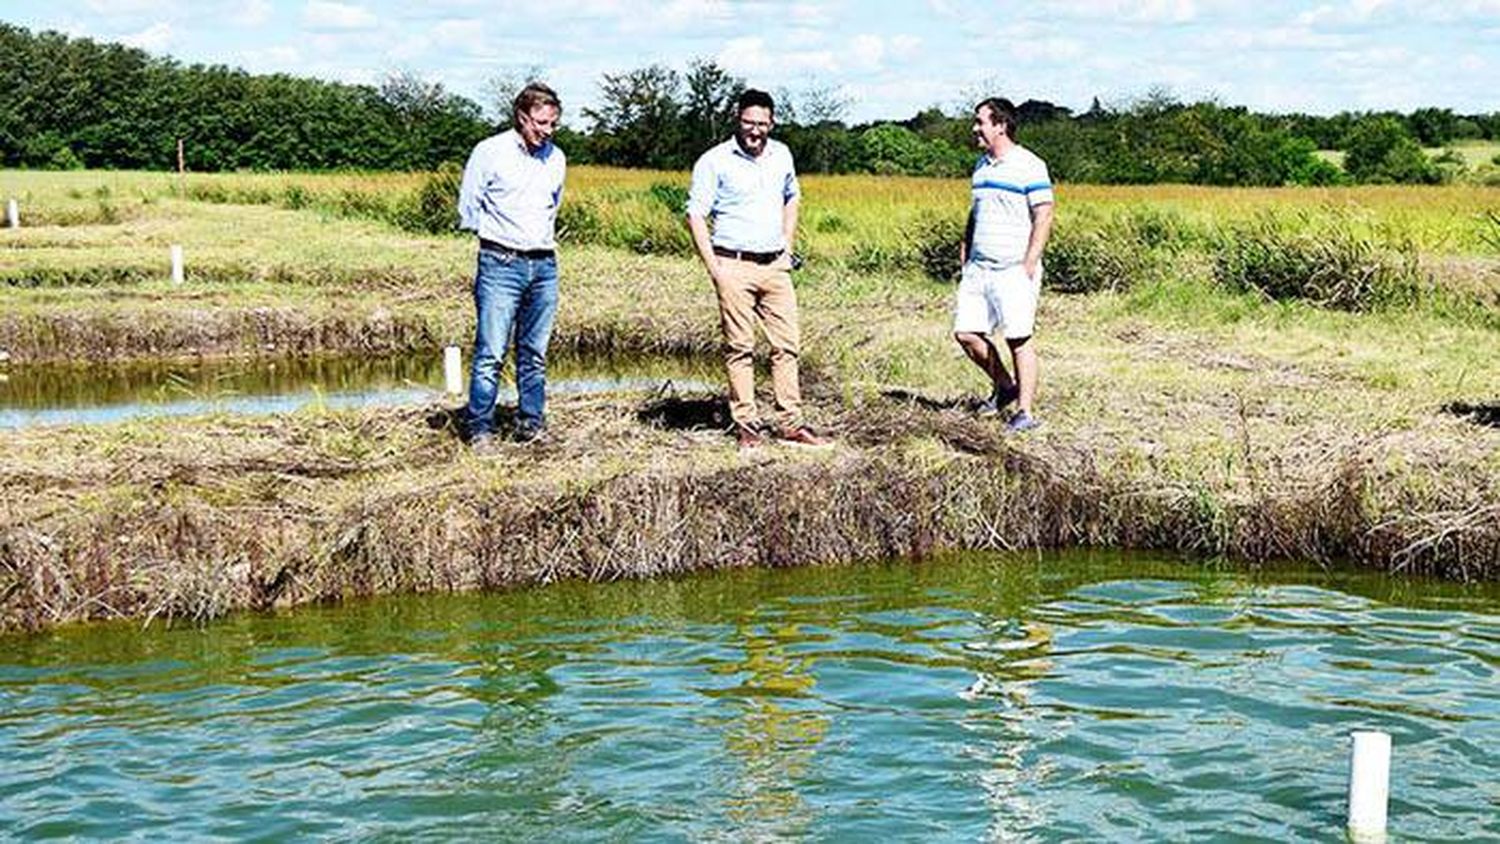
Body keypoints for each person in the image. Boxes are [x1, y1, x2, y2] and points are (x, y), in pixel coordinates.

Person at [686, 89, 828, 451]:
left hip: (775, 267)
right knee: (740, 347)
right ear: (738, 120)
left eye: (762, 124)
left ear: (772, 122)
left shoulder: (781, 154)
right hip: (733, 265)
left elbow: (792, 195)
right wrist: (714, 269)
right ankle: (746, 424)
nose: (755, 131)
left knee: (787, 346)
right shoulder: (714, 160)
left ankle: (790, 424)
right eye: (749, 123)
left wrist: (787, 246)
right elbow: (695, 214)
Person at [457, 82, 566, 448]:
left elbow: (554, 206)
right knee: (491, 351)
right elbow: (469, 207)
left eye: (552, 124)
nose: (546, 131)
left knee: (534, 352)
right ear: (521, 117)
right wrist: (497, 237)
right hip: (500, 262)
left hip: (544, 264)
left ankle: (531, 423)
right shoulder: (490, 152)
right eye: (540, 123)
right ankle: (480, 428)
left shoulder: (557, 158)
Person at [953, 96, 1055, 434]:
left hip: (1013, 268)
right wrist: (965, 251)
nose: (974, 128)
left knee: (1018, 338)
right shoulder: (981, 166)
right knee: (966, 333)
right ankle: (1004, 386)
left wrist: (1029, 263)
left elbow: (1044, 214)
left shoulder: (1030, 165)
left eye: (980, 122)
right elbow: (975, 213)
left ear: (1000, 126)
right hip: (978, 268)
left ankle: (1024, 411)